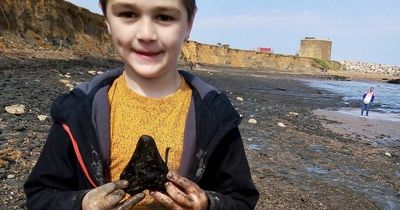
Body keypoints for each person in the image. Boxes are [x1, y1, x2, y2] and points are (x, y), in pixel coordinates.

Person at [24, 0, 259, 209]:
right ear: (107, 19)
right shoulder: (77, 113)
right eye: (128, 14)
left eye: (164, 16)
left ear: (189, 23)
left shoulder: (216, 116)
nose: (146, 34)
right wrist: (82, 204)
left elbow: (241, 199)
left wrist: (208, 205)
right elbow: (41, 195)